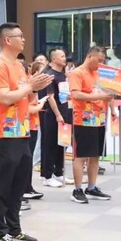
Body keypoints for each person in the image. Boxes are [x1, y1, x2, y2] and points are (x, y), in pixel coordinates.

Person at [0, 23, 53, 241]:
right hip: (4, 134)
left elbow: (24, 96)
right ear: (7, 40)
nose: (24, 39)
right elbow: (4, 97)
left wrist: (34, 87)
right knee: (2, 186)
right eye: (20, 36)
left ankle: (14, 229)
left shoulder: (18, 65)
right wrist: (30, 86)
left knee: (17, 185)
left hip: (22, 131)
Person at [68, 47, 115, 204]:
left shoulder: (100, 74)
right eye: (99, 60)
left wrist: (112, 107)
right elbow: (75, 94)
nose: (101, 64)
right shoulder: (77, 73)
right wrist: (99, 96)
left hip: (99, 119)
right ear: (89, 56)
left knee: (95, 155)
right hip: (83, 119)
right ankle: (77, 189)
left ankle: (91, 187)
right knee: (81, 156)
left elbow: (108, 93)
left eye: (103, 61)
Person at [41, 48, 72, 188]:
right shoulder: (50, 75)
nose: (65, 59)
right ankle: (46, 176)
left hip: (65, 111)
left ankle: (59, 172)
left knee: (62, 144)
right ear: (54, 59)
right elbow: (50, 97)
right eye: (62, 56)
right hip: (53, 114)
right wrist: (58, 115)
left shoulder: (63, 75)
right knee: (50, 145)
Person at [24, 61, 48, 200]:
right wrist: (41, 104)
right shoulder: (28, 85)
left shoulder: (33, 87)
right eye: (41, 71)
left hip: (32, 125)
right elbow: (28, 108)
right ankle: (25, 188)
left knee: (29, 158)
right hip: (27, 126)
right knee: (27, 159)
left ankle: (28, 187)